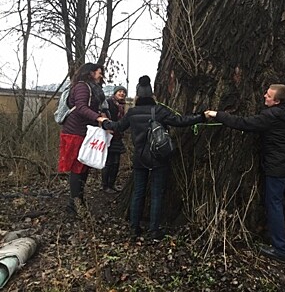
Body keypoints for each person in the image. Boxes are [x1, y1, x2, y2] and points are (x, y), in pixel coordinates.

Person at [205, 84, 285, 263]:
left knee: (275, 204)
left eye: (269, 96)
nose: (264, 96)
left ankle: (280, 249)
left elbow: (244, 123)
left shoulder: (270, 116)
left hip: (277, 167)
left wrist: (218, 114)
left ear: (277, 101)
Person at [101, 75, 205, 241]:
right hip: (159, 158)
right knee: (157, 194)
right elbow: (180, 120)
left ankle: (134, 229)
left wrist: (104, 122)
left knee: (138, 193)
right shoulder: (159, 111)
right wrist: (201, 116)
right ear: (152, 95)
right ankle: (154, 231)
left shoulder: (132, 113)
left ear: (137, 96)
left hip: (139, 158)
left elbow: (117, 127)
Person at [58, 63, 108, 217]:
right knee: (77, 169)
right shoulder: (82, 87)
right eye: (99, 73)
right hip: (75, 132)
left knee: (83, 167)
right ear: (91, 73)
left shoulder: (92, 88)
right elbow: (80, 107)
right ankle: (75, 204)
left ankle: (78, 201)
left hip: (85, 132)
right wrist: (98, 118)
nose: (101, 76)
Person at [101, 85, 128, 194]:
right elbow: (102, 116)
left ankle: (112, 184)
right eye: (120, 91)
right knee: (109, 162)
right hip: (109, 136)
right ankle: (105, 185)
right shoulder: (108, 103)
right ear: (115, 93)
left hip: (117, 136)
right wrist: (106, 127)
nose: (122, 93)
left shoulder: (122, 106)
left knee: (116, 162)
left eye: (123, 92)